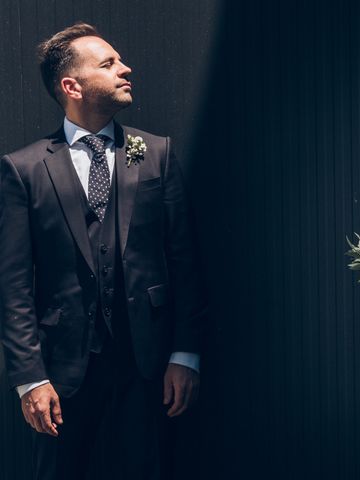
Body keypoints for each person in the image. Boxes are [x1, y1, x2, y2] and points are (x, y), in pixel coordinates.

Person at [0, 23, 207, 479]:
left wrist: (184, 354)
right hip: (62, 373)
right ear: (72, 86)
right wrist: (29, 378)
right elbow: (12, 285)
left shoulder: (154, 153)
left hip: (148, 366)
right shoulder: (24, 168)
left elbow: (185, 261)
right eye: (108, 63)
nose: (125, 68)